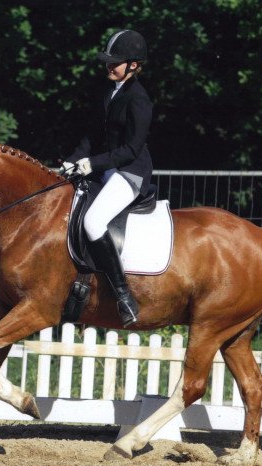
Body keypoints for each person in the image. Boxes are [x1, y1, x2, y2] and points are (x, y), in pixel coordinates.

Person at [61, 29, 153, 327]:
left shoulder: (139, 99)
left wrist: (92, 164)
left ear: (134, 65)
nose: (109, 66)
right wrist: (72, 161)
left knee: (93, 221)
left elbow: (131, 149)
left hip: (130, 172)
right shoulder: (108, 92)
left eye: (116, 62)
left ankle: (124, 295)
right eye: (108, 61)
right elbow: (92, 136)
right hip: (106, 167)